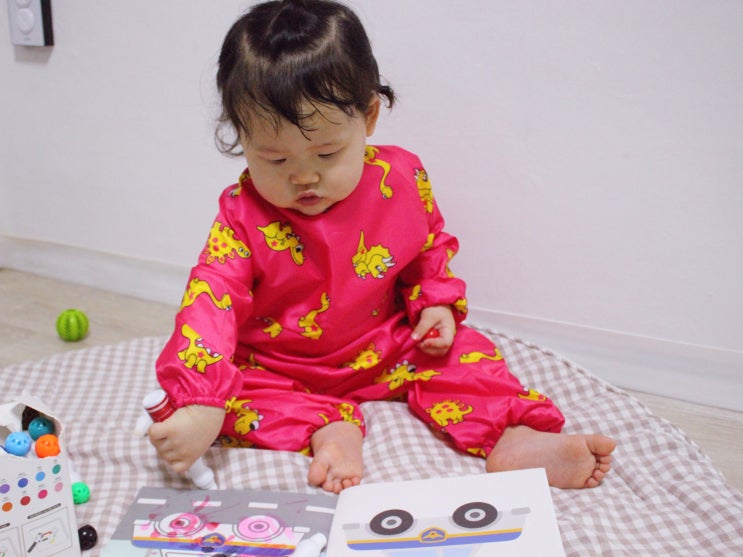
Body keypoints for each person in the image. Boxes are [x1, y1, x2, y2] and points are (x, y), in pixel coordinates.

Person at [149, 0, 616, 494]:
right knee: (215, 403)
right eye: (275, 159)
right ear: (241, 137)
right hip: (277, 368)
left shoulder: (400, 179)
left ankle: (513, 437)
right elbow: (210, 300)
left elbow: (427, 246)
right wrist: (200, 400)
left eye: (327, 153)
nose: (304, 176)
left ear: (369, 116)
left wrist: (435, 302)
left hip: (385, 351)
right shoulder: (242, 215)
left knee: (464, 354)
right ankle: (329, 427)